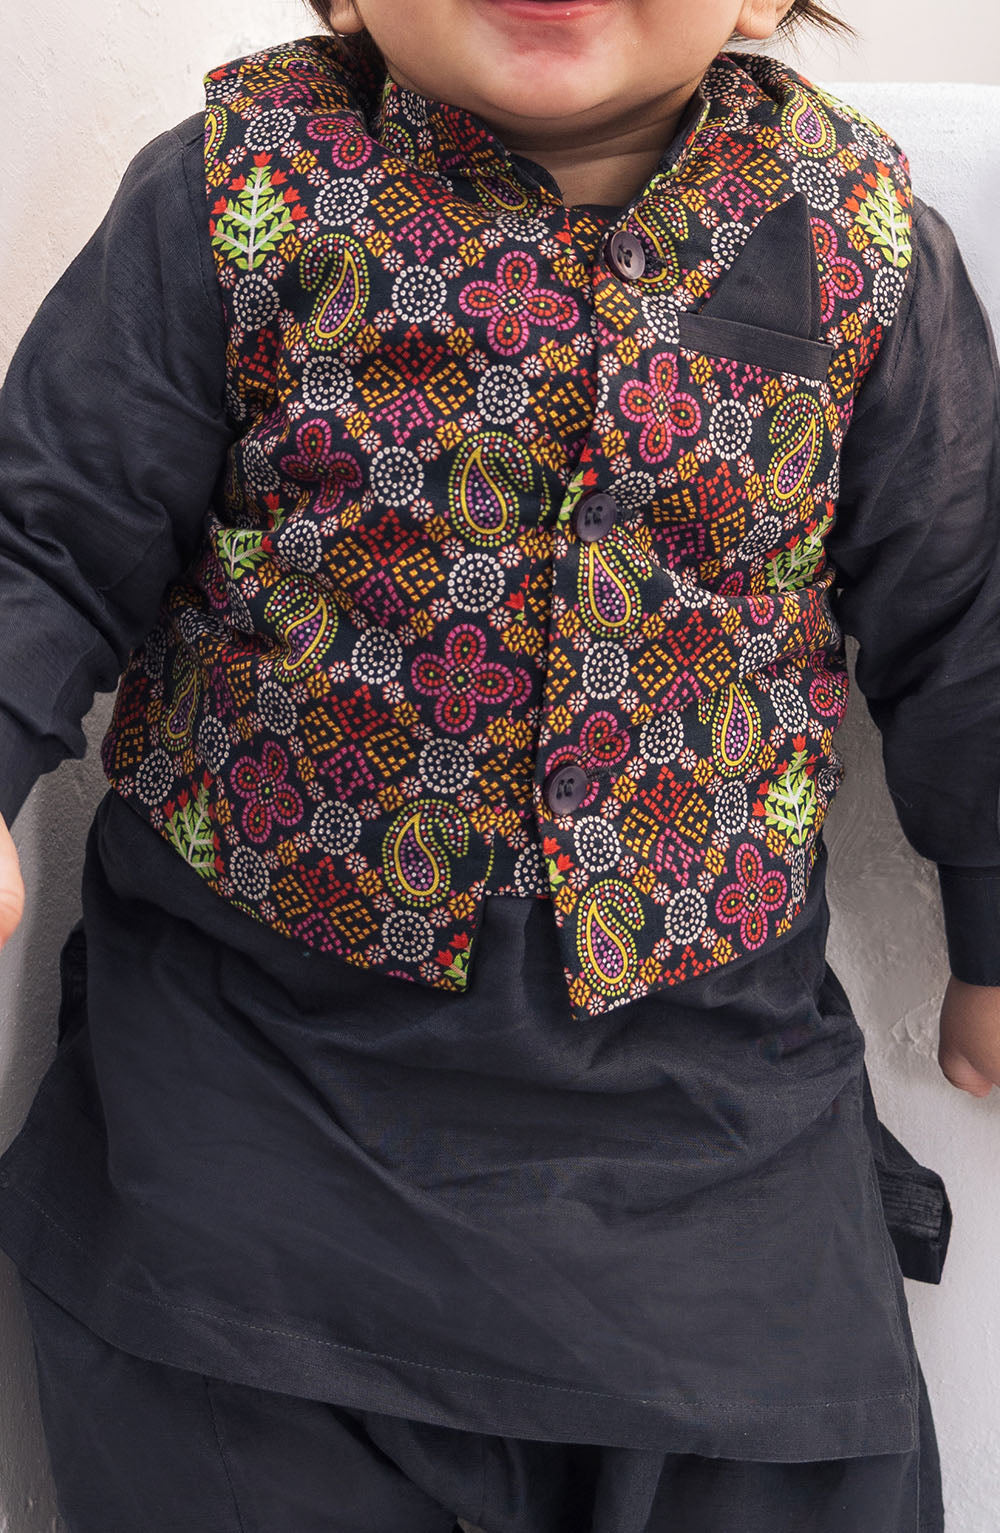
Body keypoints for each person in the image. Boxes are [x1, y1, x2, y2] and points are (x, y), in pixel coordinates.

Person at [0, 0, 997, 1526]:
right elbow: (47, 526)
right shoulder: (232, 193)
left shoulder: (861, 241)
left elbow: (967, 609)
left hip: (704, 1118)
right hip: (259, 1101)